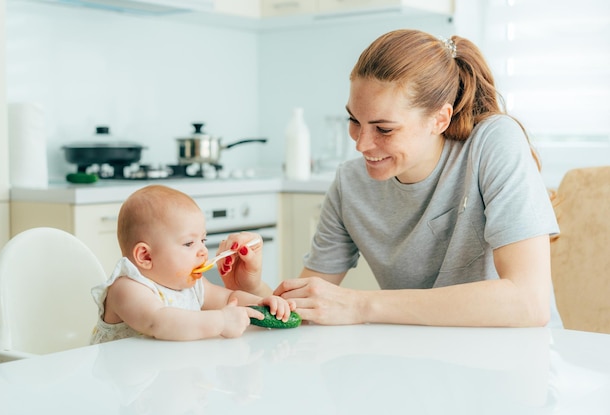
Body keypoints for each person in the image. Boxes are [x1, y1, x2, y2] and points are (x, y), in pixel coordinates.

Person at [247, 29, 562, 327]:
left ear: (439, 119)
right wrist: (252, 287)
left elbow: (528, 302)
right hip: (415, 363)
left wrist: (360, 305)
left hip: (516, 363)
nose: (361, 144)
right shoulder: (351, 184)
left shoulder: (492, 143)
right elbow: (308, 306)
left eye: (384, 129)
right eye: (354, 121)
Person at [90, 184, 295, 344]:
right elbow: (159, 322)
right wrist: (221, 322)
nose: (203, 251)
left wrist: (260, 304)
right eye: (189, 243)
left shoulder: (192, 285)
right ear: (145, 256)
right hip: (122, 387)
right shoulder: (127, 288)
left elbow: (229, 298)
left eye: (203, 241)